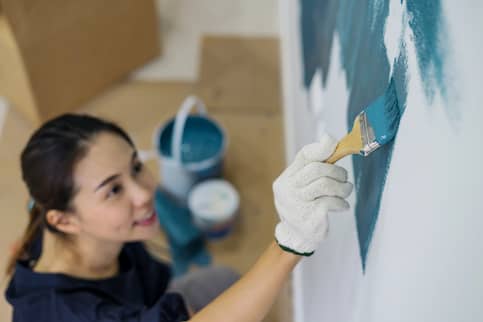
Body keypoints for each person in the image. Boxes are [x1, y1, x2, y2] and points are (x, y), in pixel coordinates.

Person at [4, 114, 353, 322]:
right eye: (113, 190)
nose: (144, 193)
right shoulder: (67, 314)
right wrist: (291, 244)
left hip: (140, 304)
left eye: (136, 168)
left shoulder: (55, 223)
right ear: (64, 220)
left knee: (225, 280)